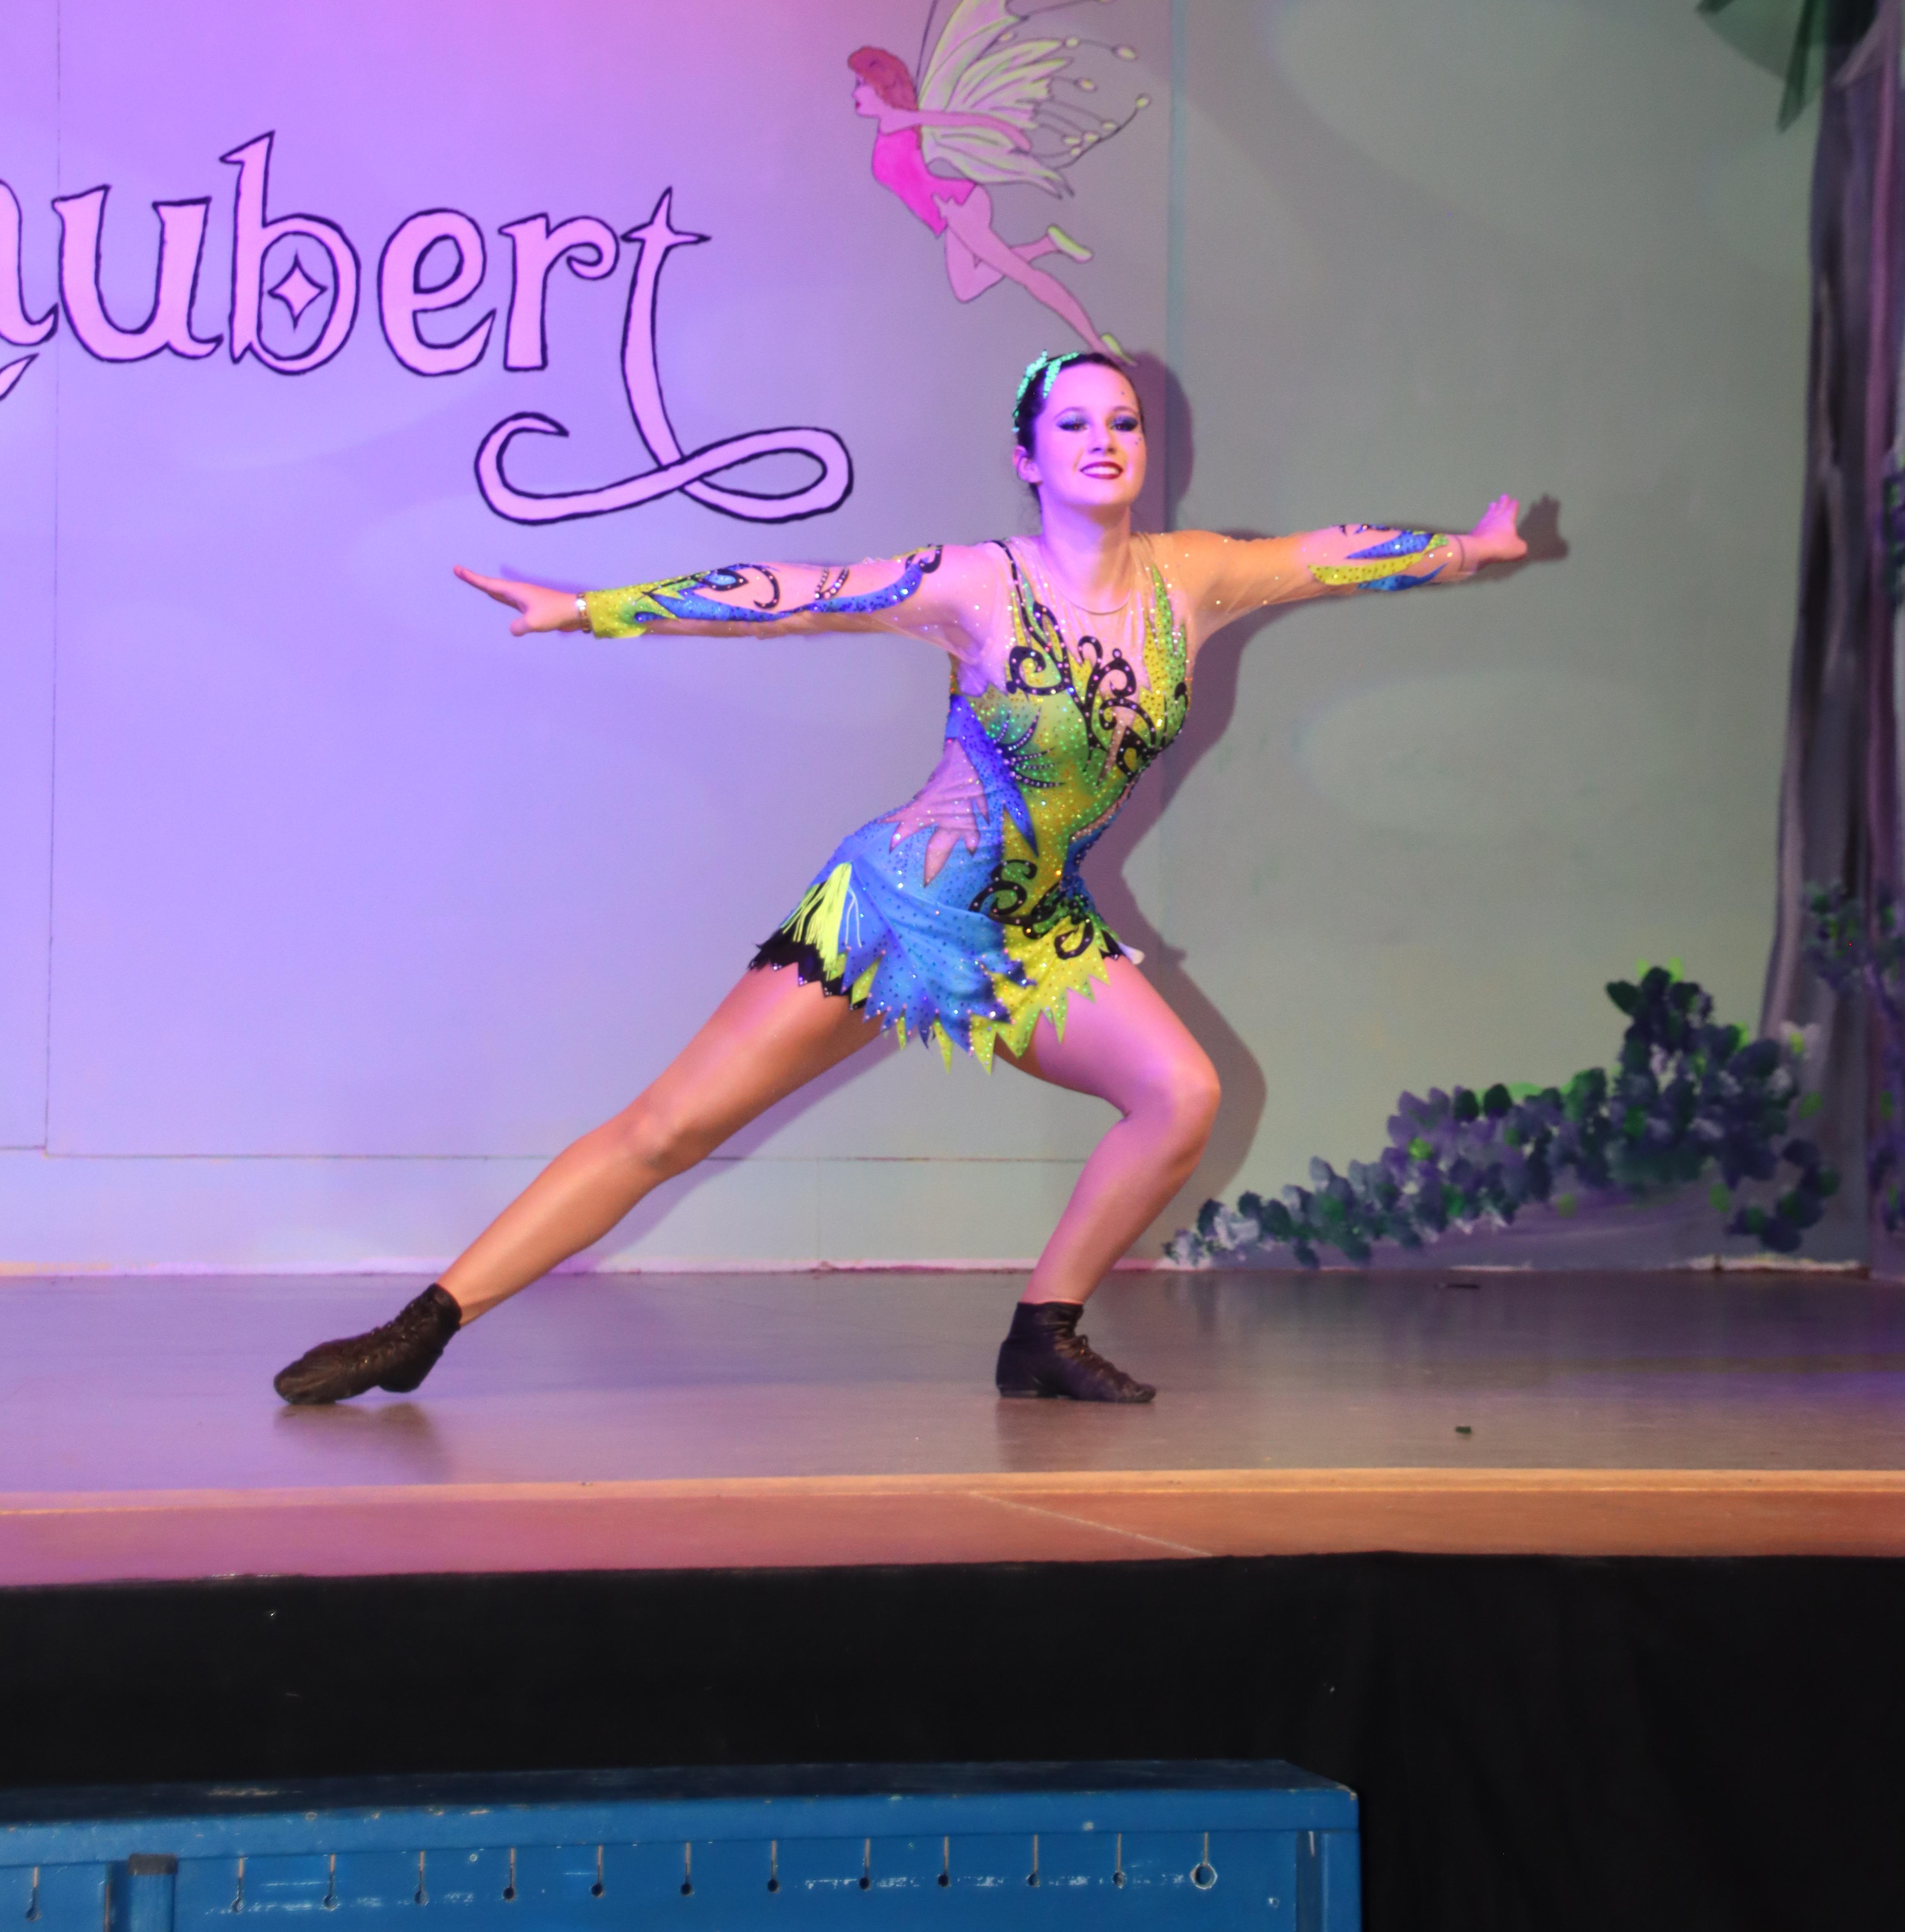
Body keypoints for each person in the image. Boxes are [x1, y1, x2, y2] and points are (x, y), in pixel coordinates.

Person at [275, 350, 1524, 1411]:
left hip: (1029, 927)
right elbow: (793, 594)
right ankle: (423, 1326)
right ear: (1027, 456)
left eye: (1122, 422)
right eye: (1071, 424)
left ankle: (1040, 1333)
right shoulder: (980, 582)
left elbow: (1330, 553)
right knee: (668, 1130)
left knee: (1178, 1093)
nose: (1102, 441)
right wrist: (596, 608)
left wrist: (1470, 550)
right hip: (895, 906)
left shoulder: (1190, 578)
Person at [850, 47, 1109, 349]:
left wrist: (1006, 130)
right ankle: (1047, 244)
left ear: (881, 86)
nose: (856, 92)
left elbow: (953, 121)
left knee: (1024, 276)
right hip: (950, 212)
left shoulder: (896, 121)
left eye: (861, 83)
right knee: (966, 288)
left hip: (957, 206)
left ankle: (1097, 343)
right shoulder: (891, 126)